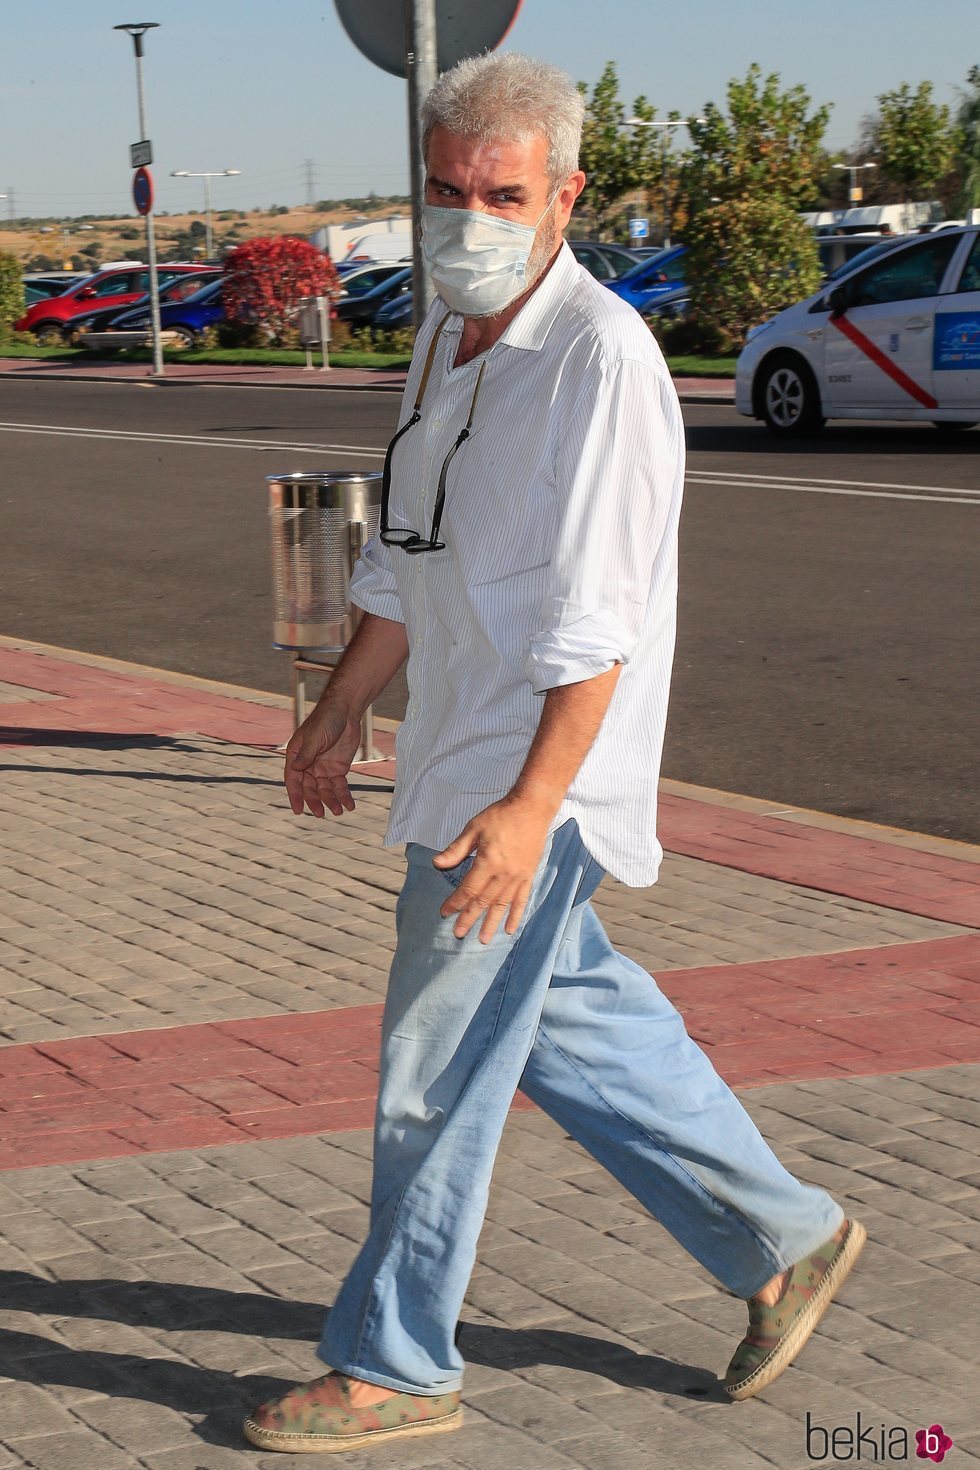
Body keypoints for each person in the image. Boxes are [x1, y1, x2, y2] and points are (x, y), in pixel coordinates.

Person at [244, 52, 865, 1456]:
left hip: (531, 783)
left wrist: (533, 807)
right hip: (459, 751)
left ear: (566, 194)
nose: (472, 215)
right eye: (448, 187)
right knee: (579, 1027)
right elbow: (408, 555)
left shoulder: (603, 362)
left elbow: (600, 625)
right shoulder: (448, 333)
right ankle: (789, 1239)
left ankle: (396, 1359)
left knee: (437, 1069)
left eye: (504, 193)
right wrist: (343, 703)